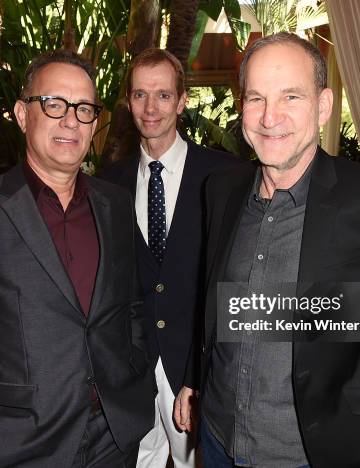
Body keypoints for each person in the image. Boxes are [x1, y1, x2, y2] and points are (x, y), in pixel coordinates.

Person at [173, 32, 360, 467]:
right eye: (256, 98)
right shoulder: (222, 189)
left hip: (313, 455)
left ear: (324, 106)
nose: (270, 117)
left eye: (290, 96)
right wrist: (197, 378)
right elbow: (212, 295)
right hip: (217, 440)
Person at [0, 49, 155, 468]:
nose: (71, 120)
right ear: (21, 113)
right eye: (54, 104)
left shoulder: (115, 205)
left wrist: (134, 381)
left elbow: (132, 306)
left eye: (84, 108)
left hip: (113, 439)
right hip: (20, 445)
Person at [101, 48, 238, 468]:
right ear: (128, 102)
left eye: (162, 95)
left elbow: (231, 283)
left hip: (195, 372)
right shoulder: (107, 184)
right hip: (134, 371)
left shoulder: (227, 176)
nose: (150, 107)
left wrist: (201, 374)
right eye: (140, 95)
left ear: (181, 101)